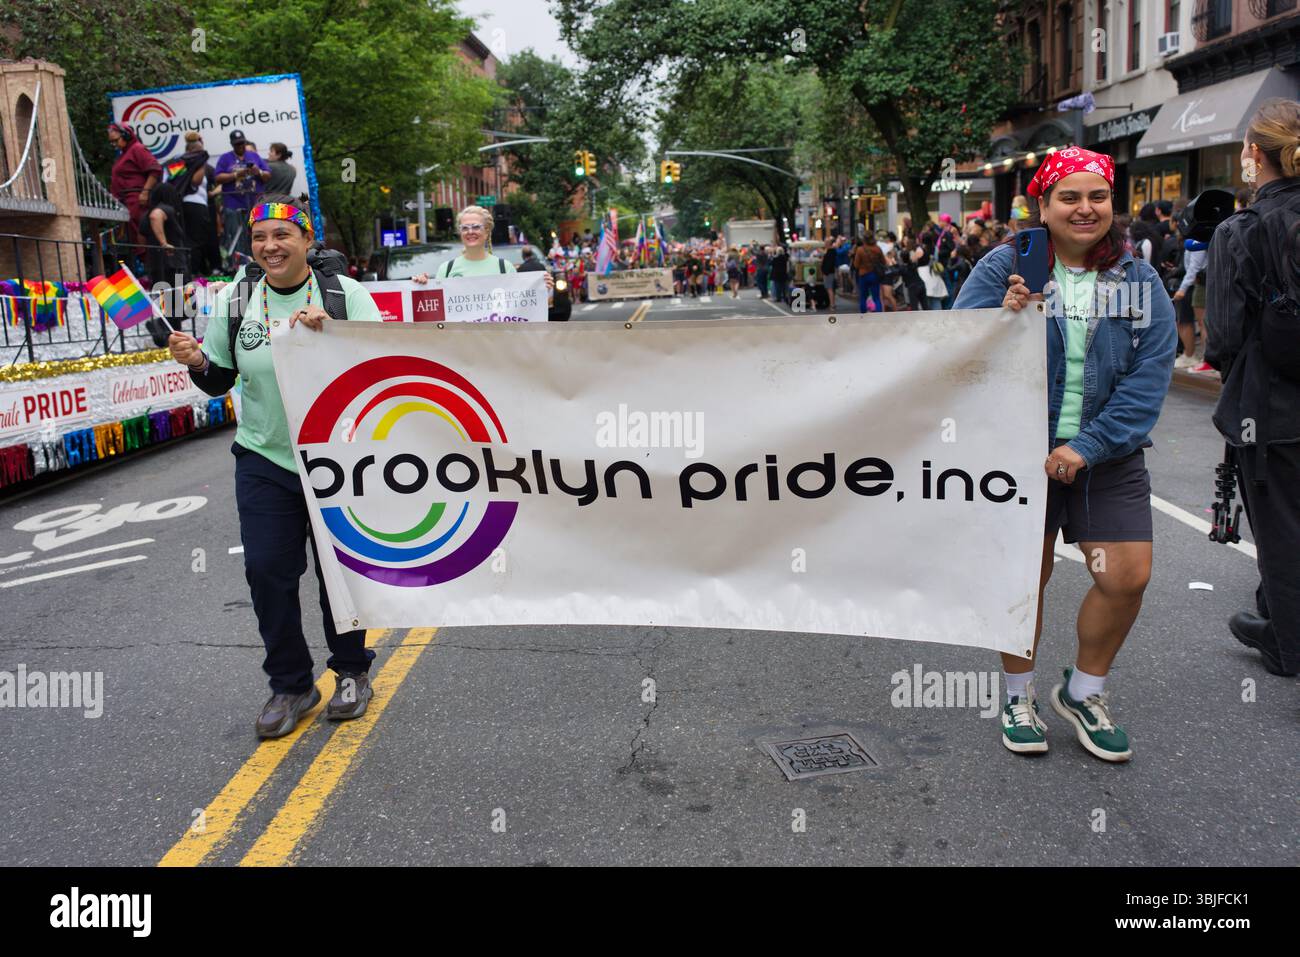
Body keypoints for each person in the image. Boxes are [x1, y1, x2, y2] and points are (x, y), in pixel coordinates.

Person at [954, 146, 1177, 762]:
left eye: (1097, 197)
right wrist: (1001, 320)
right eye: (1069, 197)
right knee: (1030, 578)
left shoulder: (1138, 278)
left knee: (1126, 575)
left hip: (1106, 456)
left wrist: (1087, 445)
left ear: (1113, 203)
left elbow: (1151, 371)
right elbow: (953, 350)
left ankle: (1082, 692)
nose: (1085, 209)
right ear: (1043, 205)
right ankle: (1018, 695)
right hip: (1019, 456)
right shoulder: (1006, 266)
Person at [165, 195, 385, 737]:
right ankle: (291, 684)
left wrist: (335, 335)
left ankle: (352, 672)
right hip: (265, 457)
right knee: (267, 571)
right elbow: (219, 378)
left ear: (308, 241)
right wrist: (196, 362)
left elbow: (382, 369)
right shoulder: (238, 299)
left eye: (283, 235)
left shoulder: (343, 294)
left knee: (340, 572)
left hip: (337, 460)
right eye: (260, 237)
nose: (270, 246)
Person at [1204, 98, 1300, 678]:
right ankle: (1273, 615)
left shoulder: (1241, 230)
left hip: (1271, 411)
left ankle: (1287, 645)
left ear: (1253, 156)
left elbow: (1224, 339)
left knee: (1282, 531)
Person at [214, 130, 271, 264]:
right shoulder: (225, 158)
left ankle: (257, 263)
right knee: (235, 235)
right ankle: (238, 266)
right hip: (233, 204)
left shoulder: (254, 156)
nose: (240, 146)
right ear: (232, 144)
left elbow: (268, 175)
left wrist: (259, 171)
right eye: (237, 144)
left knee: (255, 234)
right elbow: (217, 177)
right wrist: (235, 175)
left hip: (254, 203)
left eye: (242, 143)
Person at [107, 122, 162, 254]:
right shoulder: (124, 153)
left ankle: (152, 269)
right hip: (128, 202)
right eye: (111, 142)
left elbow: (155, 170)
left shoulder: (137, 148)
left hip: (137, 199)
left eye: (115, 140)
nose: (114, 145)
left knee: (141, 234)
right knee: (135, 237)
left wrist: (144, 192)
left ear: (125, 135)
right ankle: (148, 269)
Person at [852, 236, 884, 313]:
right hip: (874, 274)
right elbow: (883, 261)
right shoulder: (877, 249)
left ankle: (863, 314)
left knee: (863, 296)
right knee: (876, 297)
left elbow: (856, 265)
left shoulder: (860, 250)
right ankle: (878, 313)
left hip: (863, 275)